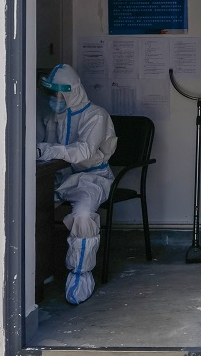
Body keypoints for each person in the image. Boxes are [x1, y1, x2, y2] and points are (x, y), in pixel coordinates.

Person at [37, 63, 117, 304]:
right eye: (51, 94)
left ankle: (80, 277)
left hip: (91, 179)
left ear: (72, 92)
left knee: (82, 217)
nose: (55, 99)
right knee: (32, 211)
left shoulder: (96, 116)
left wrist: (47, 150)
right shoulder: (52, 117)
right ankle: (40, 269)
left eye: (59, 94)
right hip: (58, 178)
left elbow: (84, 151)